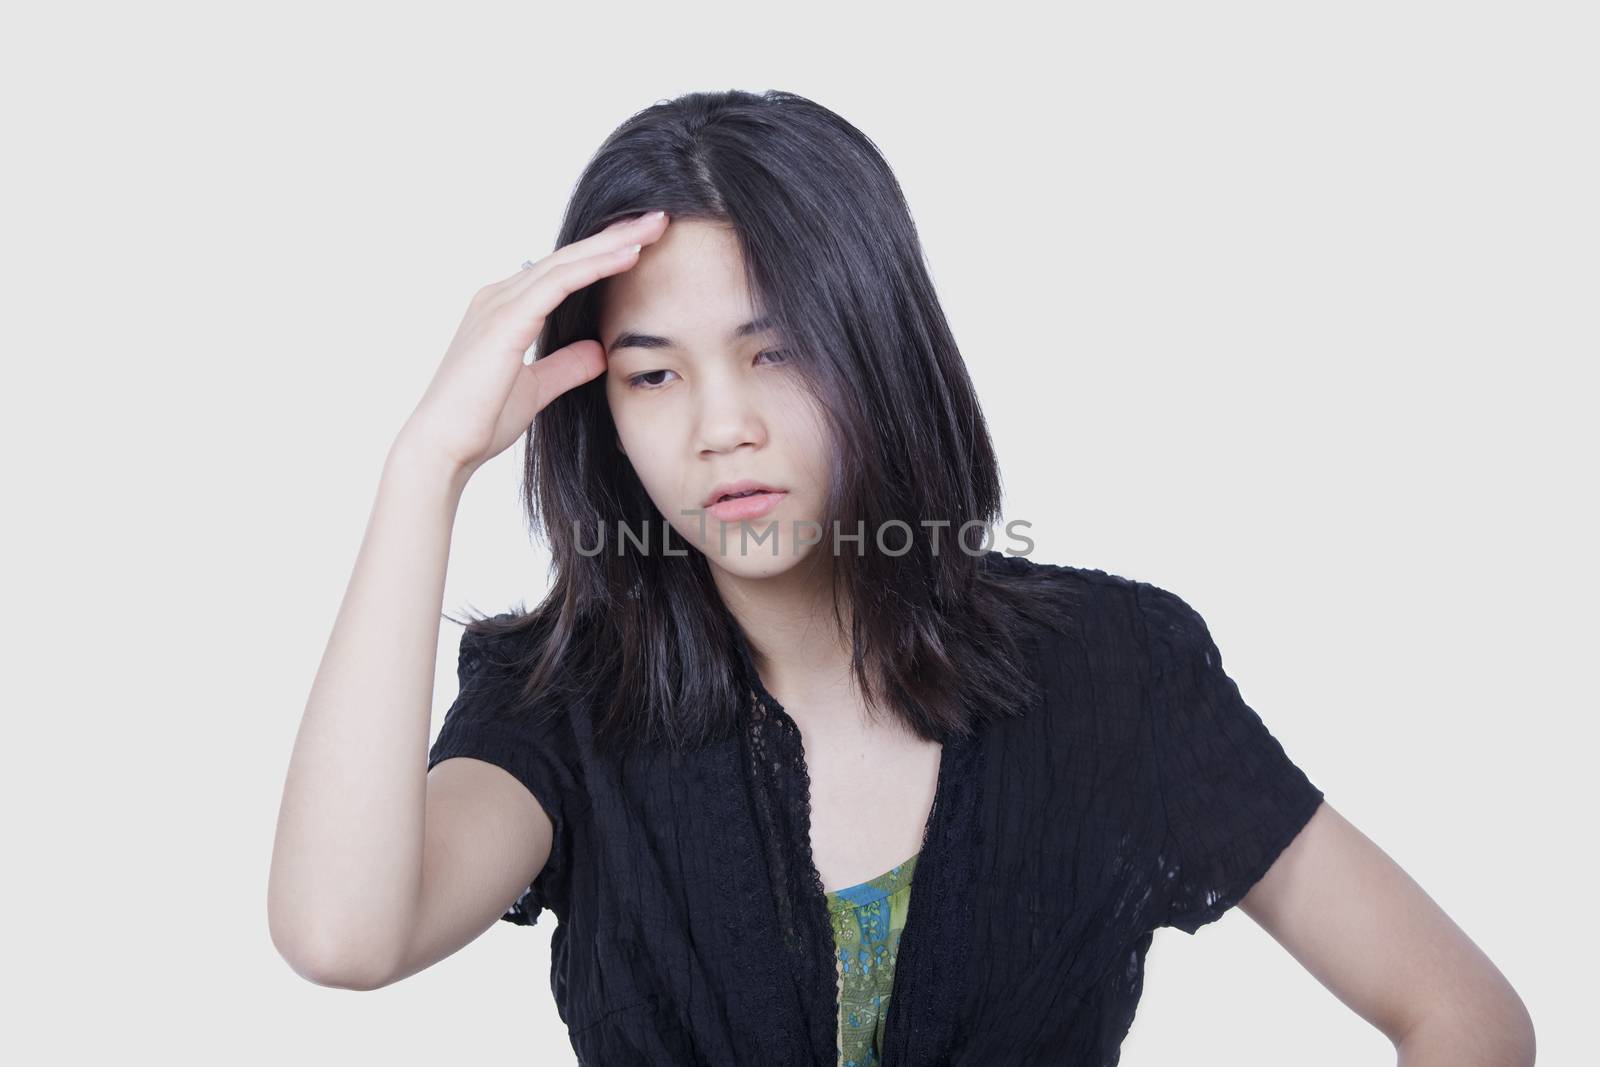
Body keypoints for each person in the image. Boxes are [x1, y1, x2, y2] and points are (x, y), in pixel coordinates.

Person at [268, 90, 1536, 1066]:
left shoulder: (1112, 668)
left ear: (878, 348)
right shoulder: (562, 699)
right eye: (653, 374)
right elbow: (343, 936)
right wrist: (424, 466)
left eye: (774, 355)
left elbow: (1460, 1009)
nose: (721, 427)